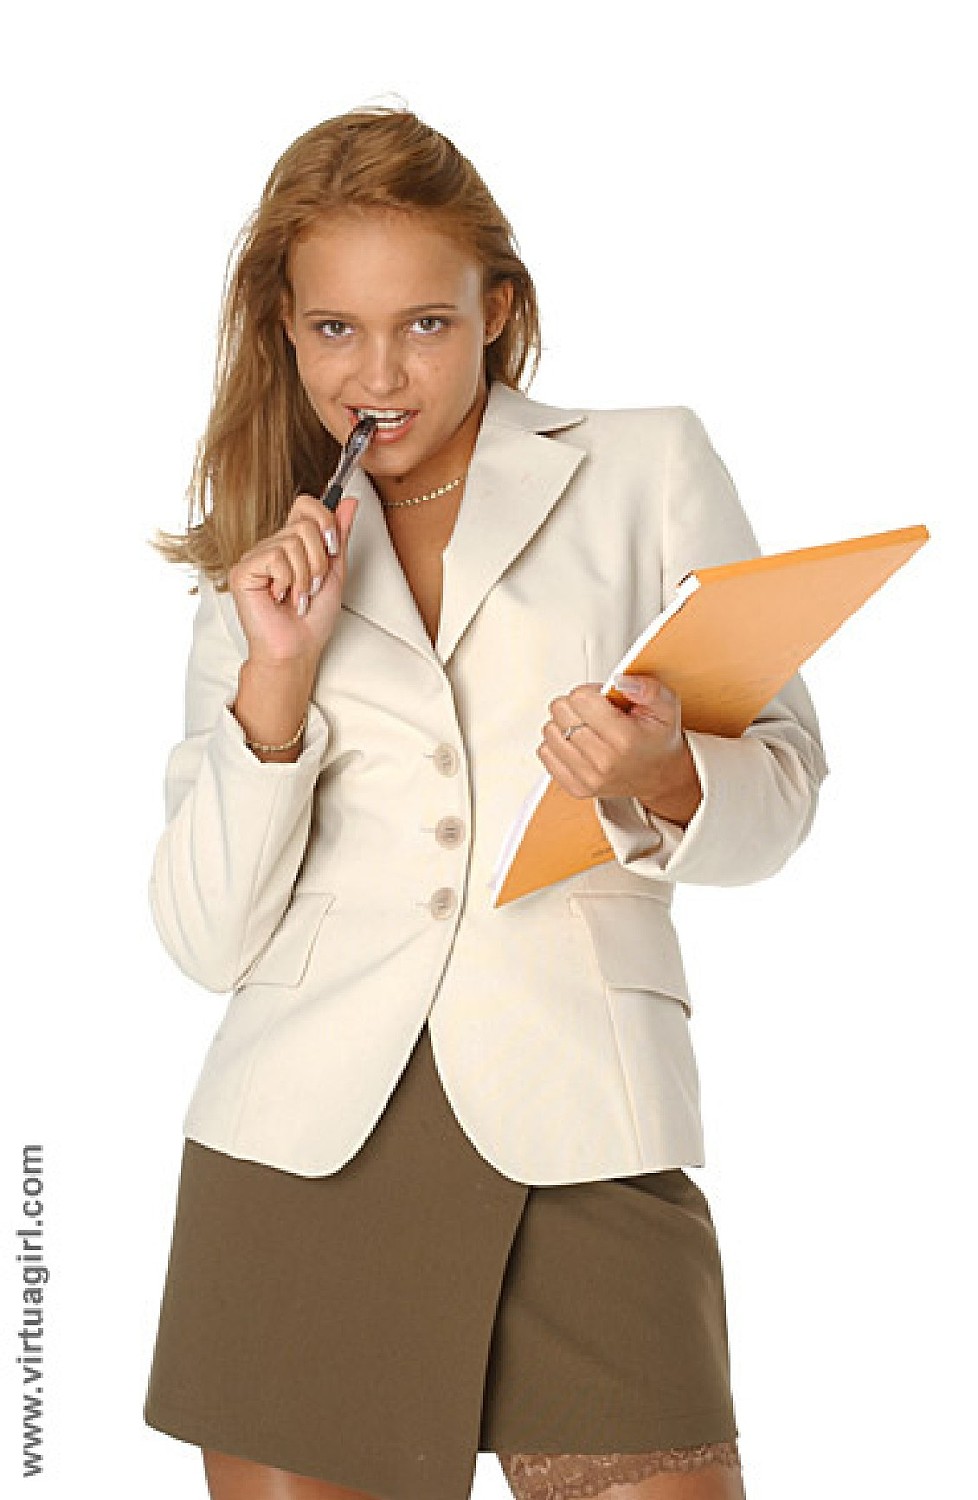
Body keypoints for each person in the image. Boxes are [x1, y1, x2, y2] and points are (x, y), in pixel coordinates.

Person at [142, 105, 828, 1500]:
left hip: (583, 1123)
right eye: (334, 329)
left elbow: (785, 787)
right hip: (299, 1143)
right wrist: (276, 680)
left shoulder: (644, 468)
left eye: (426, 325)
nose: (377, 374)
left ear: (497, 310)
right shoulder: (257, 562)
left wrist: (661, 773)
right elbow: (208, 940)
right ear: (283, 330)